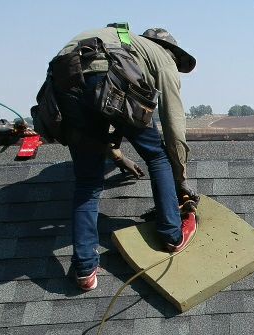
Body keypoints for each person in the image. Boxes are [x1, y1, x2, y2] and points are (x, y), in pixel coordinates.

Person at [52, 25, 199, 292]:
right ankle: (172, 234)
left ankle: (85, 271)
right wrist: (181, 181)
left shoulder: (122, 41)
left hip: (63, 76)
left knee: (87, 183)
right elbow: (174, 128)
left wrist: (118, 157)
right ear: (171, 51)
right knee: (157, 156)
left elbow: (100, 109)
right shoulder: (162, 57)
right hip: (101, 72)